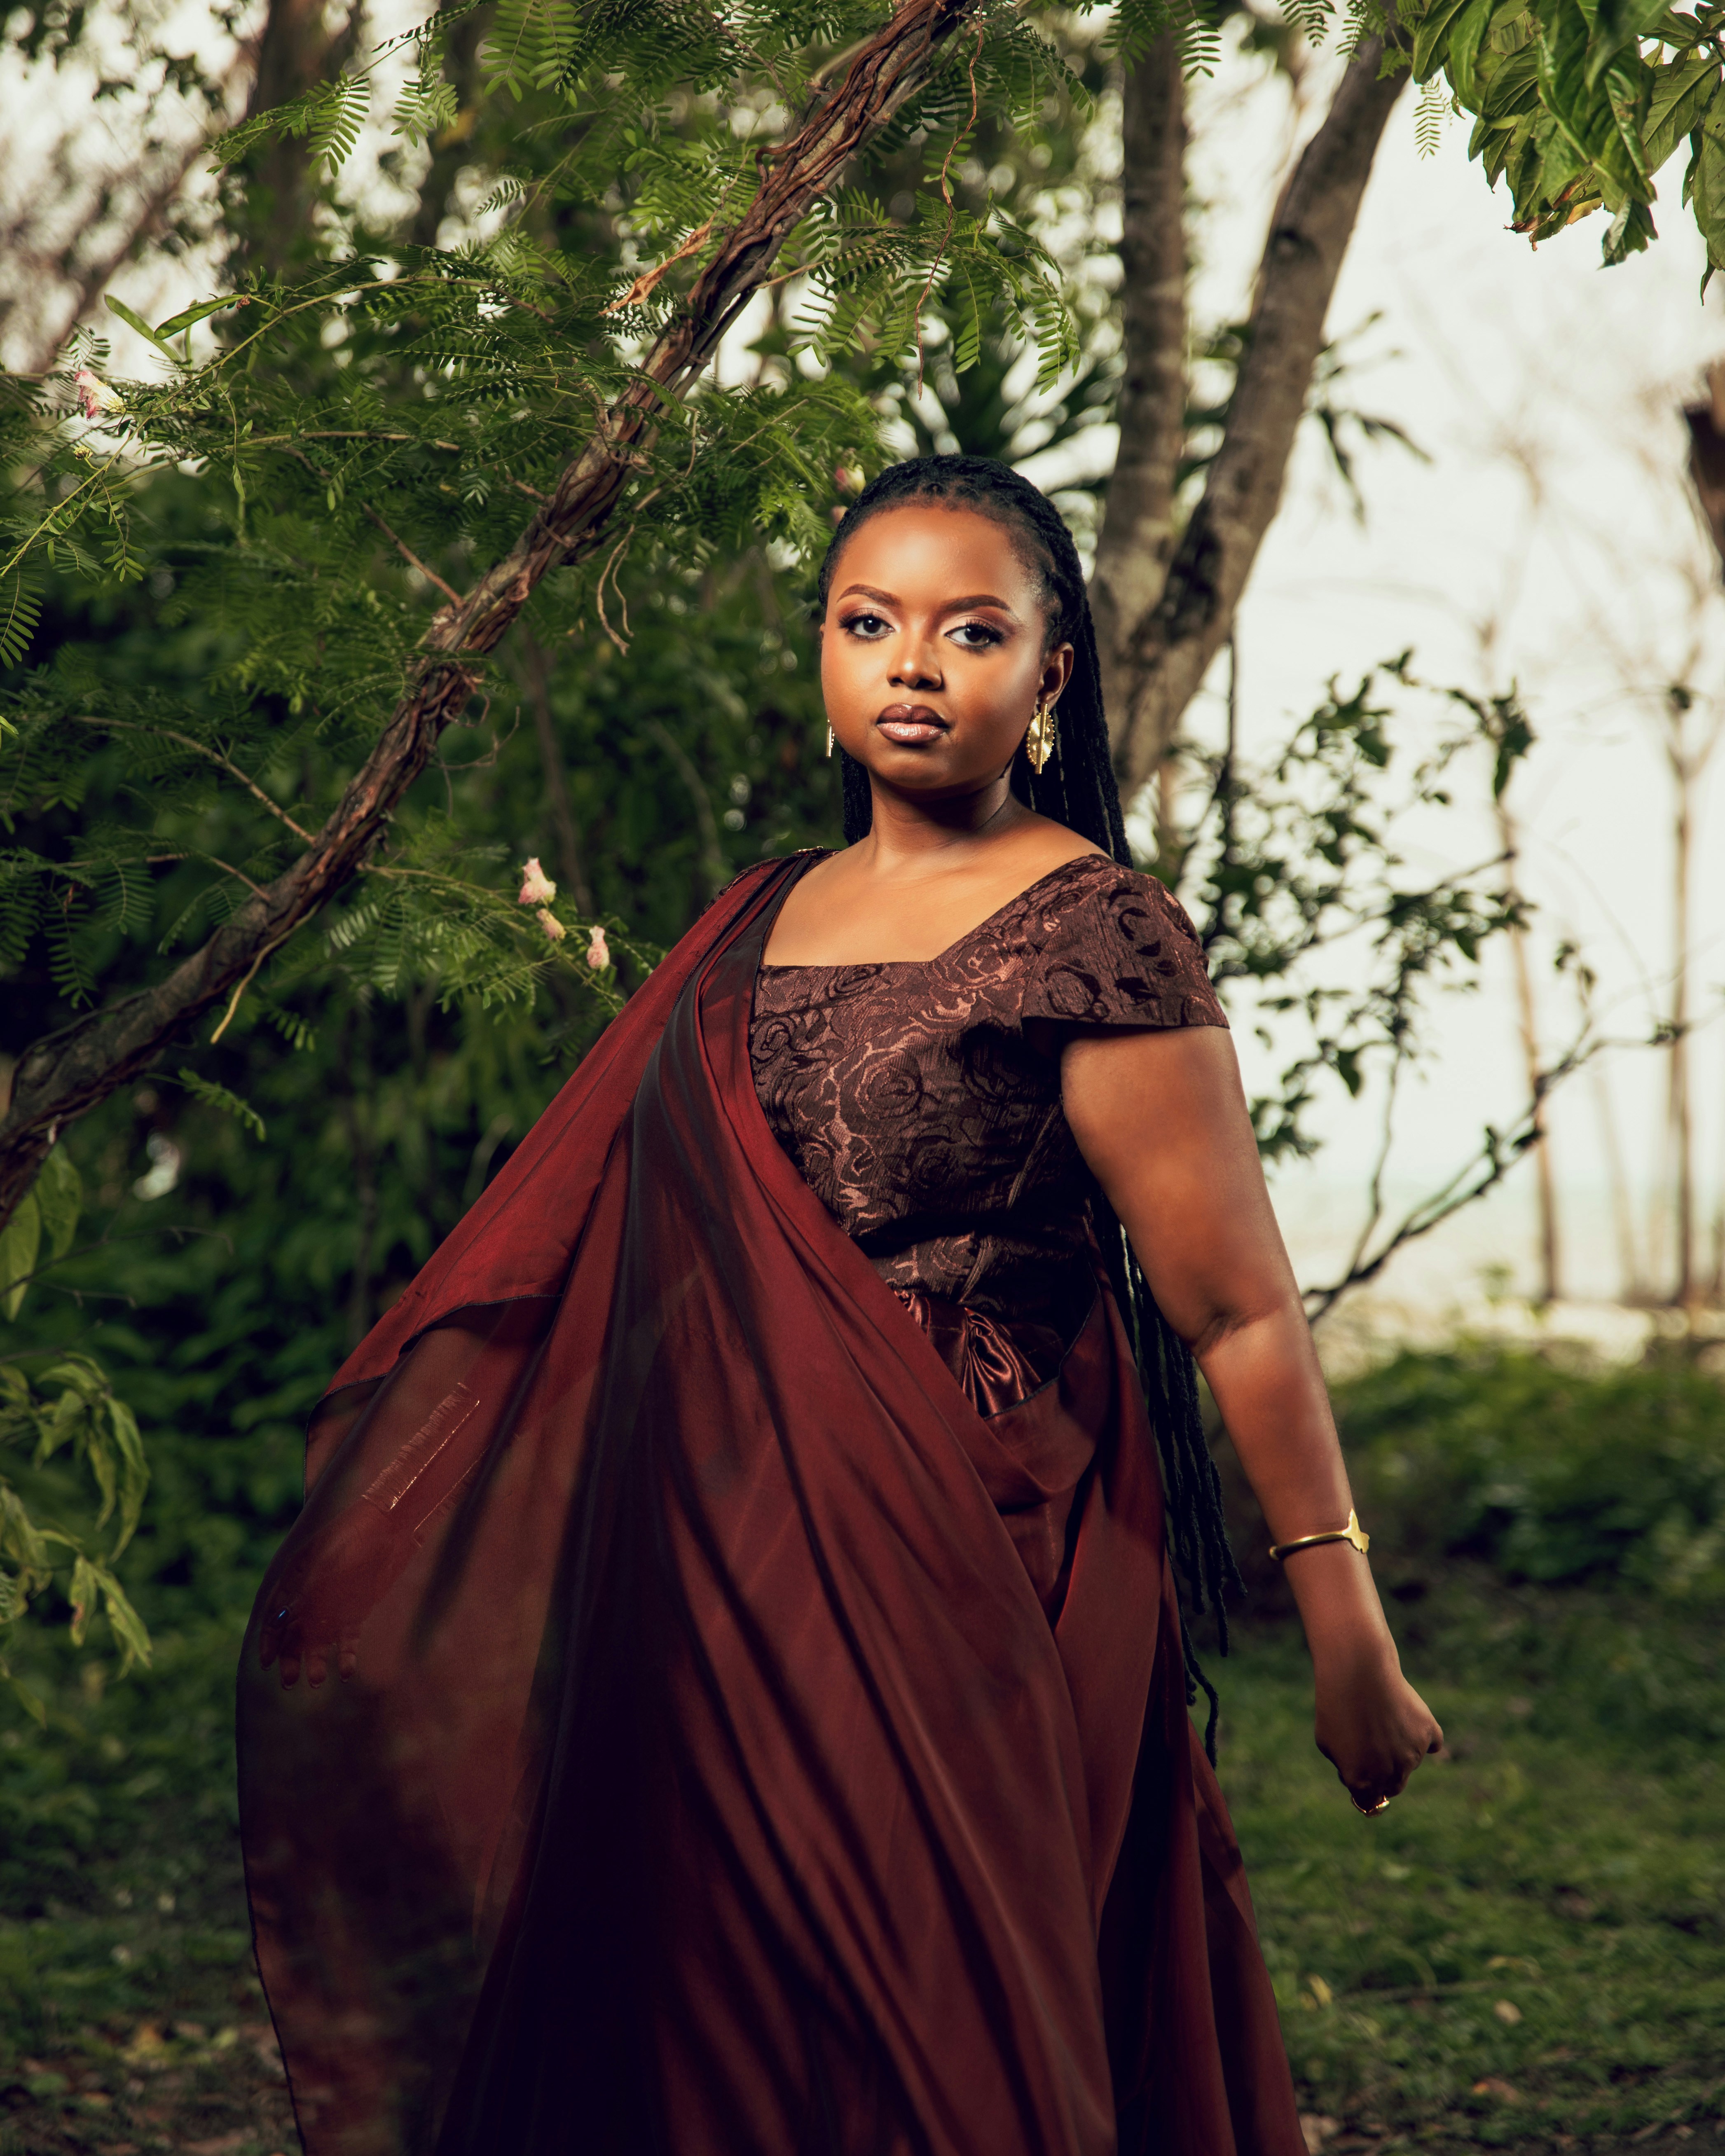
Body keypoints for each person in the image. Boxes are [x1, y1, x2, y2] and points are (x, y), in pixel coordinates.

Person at [238, 455, 1442, 2156]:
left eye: (971, 629)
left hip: (984, 1556)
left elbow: (1235, 1308)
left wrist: (1345, 1622)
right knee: (723, 2027)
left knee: (947, 2022)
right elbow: (624, 1252)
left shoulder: (1094, 931)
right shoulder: (756, 920)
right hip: (717, 1574)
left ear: (1052, 674)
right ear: (822, 655)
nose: (914, 665)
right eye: (869, 622)